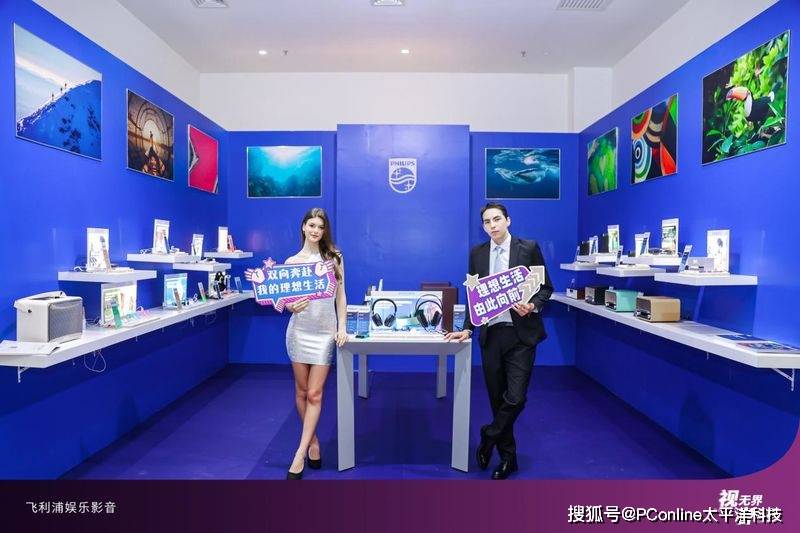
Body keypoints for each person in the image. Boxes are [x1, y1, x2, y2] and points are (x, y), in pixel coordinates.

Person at [445, 202, 553, 479]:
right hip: (491, 335)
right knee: (497, 398)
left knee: (515, 398)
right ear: (483, 226)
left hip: (521, 335)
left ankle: (489, 434)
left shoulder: (528, 248)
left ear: (508, 220)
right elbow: (474, 297)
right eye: (487, 221)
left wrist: (533, 305)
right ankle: (508, 458)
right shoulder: (477, 254)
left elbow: (545, 288)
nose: (492, 225)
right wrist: (467, 328)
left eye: (496, 219)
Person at [283, 208, 347, 479]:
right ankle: (313, 442)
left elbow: (341, 296)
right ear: (303, 227)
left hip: (324, 333)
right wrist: (290, 307)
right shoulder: (291, 262)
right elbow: (285, 301)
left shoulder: (334, 258)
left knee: (314, 394)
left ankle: (299, 453)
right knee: (301, 392)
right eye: (312, 225)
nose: (316, 231)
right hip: (299, 332)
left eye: (320, 227)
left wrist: (341, 327)